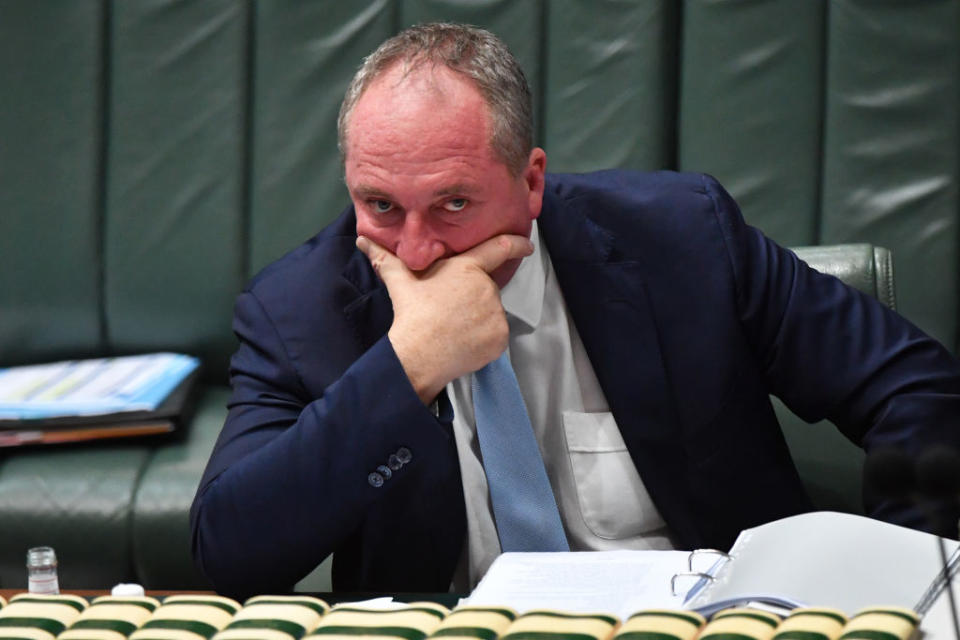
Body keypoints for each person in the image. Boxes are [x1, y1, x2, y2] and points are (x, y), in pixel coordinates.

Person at [190, 22, 960, 598]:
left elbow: (917, 390)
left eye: (454, 202)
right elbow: (227, 555)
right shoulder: (301, 310)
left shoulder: (684, 241)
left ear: (530, 183)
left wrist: (895, 589)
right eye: (381, 204)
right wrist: (406, 368)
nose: (417, 250)